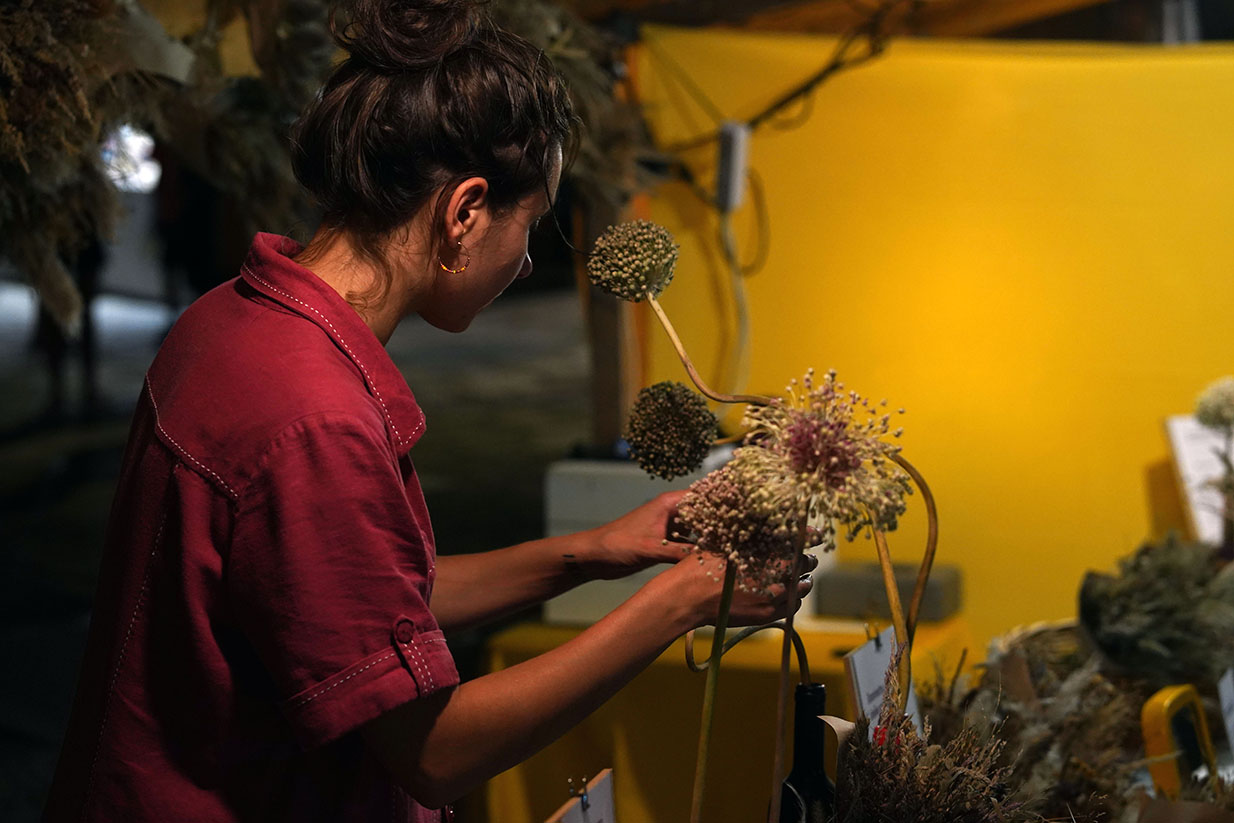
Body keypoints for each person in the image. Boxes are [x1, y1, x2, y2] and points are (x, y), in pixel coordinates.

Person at [43, 1, 814, 821]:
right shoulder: (315, 418)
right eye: (530, 228)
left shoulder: (229, 321)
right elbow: (434, 753)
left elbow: (348, 607)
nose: (522, 265)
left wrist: (590, 552)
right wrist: (686, 601)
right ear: (465, 212)